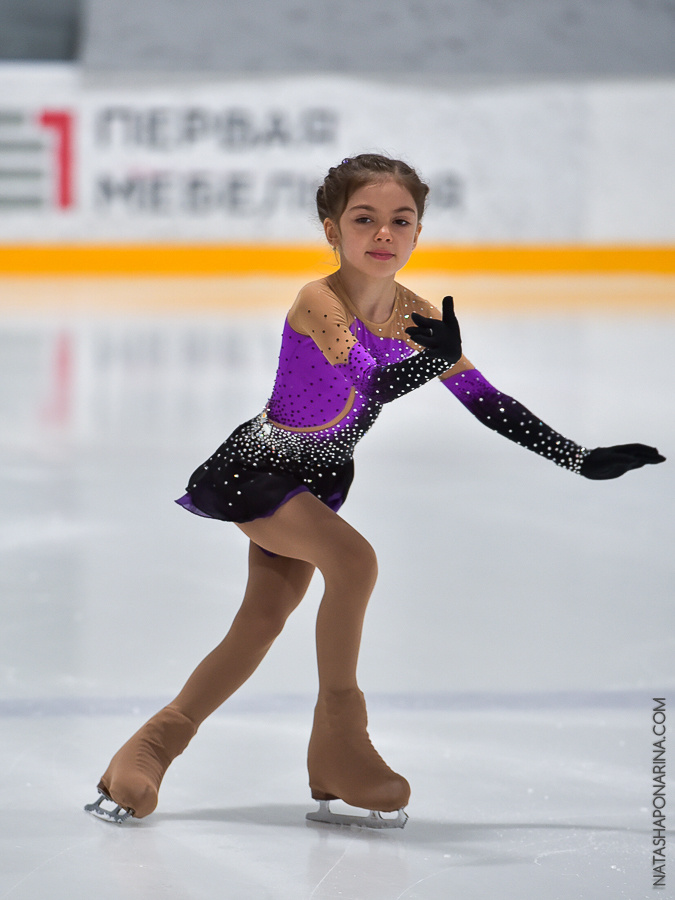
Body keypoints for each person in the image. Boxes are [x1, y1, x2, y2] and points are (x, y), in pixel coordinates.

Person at [85, 153, 665, 829]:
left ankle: (154, 744)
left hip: (320, 477)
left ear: (418, 232)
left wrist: (578, 457)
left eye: (400, 220)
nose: (383, 234)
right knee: (353, 562)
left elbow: (486, 402)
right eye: (364, 219)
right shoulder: (317, 300)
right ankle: (340, 743)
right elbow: (369, 381)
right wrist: (433, 359)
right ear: (332, 230)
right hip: (260, 469)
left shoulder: (415, 314)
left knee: (260, 621)